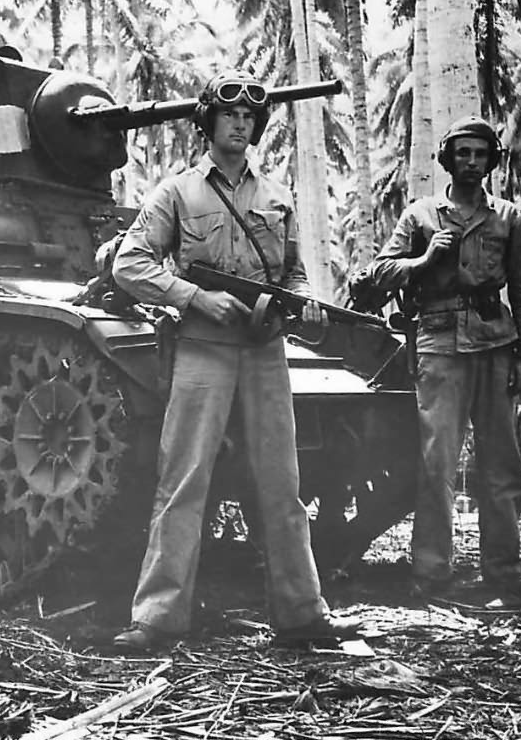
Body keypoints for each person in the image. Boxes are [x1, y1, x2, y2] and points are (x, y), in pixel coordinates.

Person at [110, 70, 361, 650]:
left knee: (281, 483)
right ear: (209, 122)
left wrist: (306, 305)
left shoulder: (276, 196)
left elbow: (293, 273)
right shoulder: (177, 192)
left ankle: (302, 614)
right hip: (204, 349)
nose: (240, 124)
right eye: (230, 115)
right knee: (184, 479)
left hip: (265, 349)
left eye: (249, 116)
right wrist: (194, 298)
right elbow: (130, 264)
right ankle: (157, 618)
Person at [368, 115, 521, 600]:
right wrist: (424, 261)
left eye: (480, 154)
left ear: (491, 161)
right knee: (436, 463)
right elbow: (380, 272)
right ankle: (431, 573)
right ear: (447, 159)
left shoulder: (508, 218)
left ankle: (505, 573)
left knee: (501, 464)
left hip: (495, 346)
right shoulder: (421, 215)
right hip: (439, 345)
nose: (471, 162)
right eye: (462, 153)